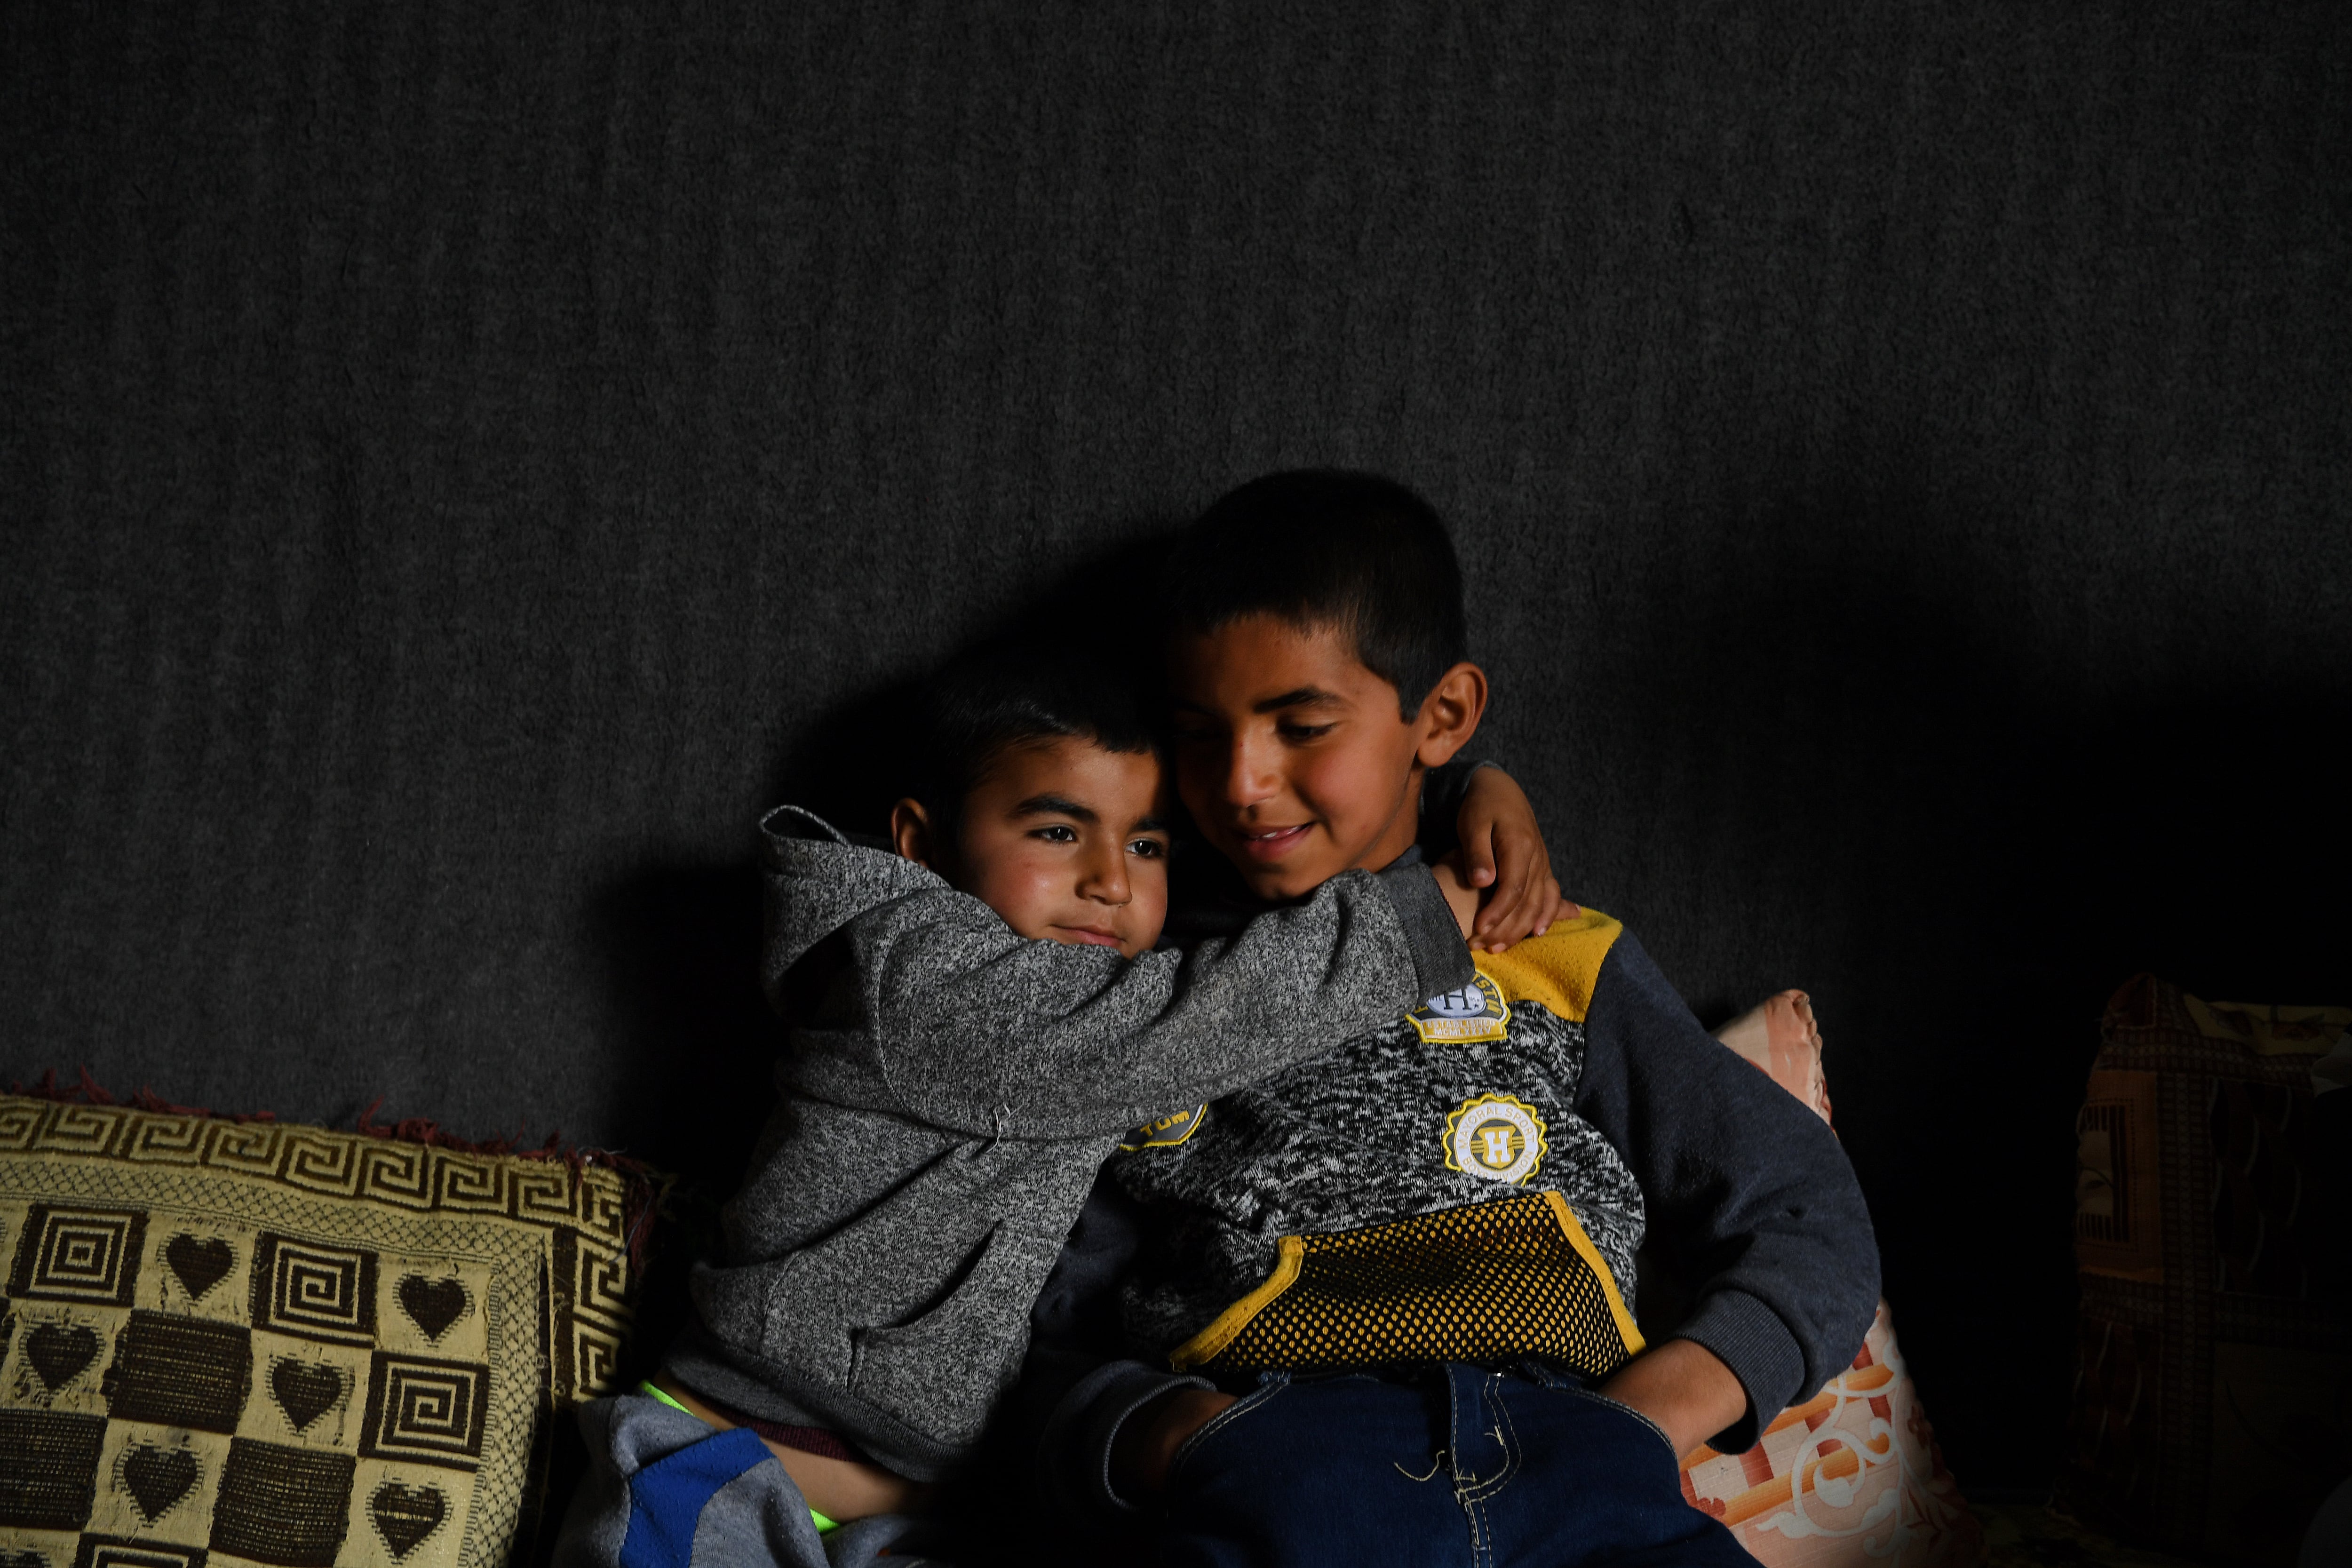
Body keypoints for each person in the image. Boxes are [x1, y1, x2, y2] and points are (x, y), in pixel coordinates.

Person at [1019, 471, 1883, 1567]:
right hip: (1279, 1451)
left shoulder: (1553, 950)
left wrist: (1651, 1413)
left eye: (1300, 724)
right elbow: (1047, 1299)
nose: (1240, 780)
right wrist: (1158, 1431)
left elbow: (1806, 1207)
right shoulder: (1149, 982)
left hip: (1577, 1448)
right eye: (1197, 731)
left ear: (1443, 716)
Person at [555, 646, 1568, 1568]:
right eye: (1055, 829)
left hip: (921, 1519)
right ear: (922, 841)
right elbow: (1191, 1018)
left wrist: (1474, 790)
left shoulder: (1093, 967)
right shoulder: (912, 974)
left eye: (1149, 845)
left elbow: (1287, 842)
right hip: (723, 1463)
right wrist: (1429, 906)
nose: (1107, 882)